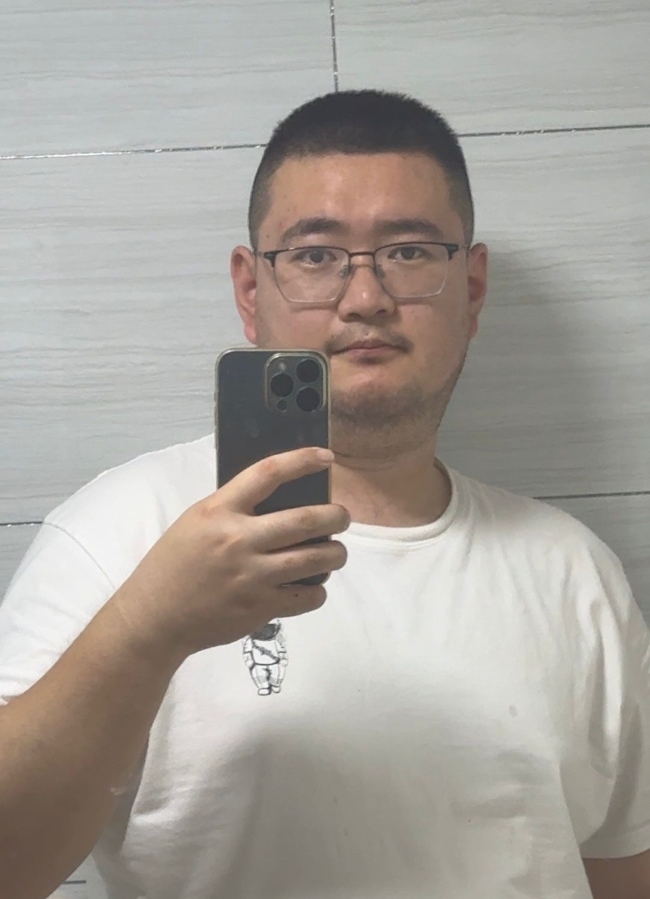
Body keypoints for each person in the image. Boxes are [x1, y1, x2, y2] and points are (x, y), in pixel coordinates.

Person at [0, 90, 648, 899]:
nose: (366, 296)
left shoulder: (575, 572)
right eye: (315, 255)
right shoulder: (119, 532)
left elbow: (624, 871)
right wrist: (148, 628)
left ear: (473, 289)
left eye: (410, 251)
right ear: (250, 291)